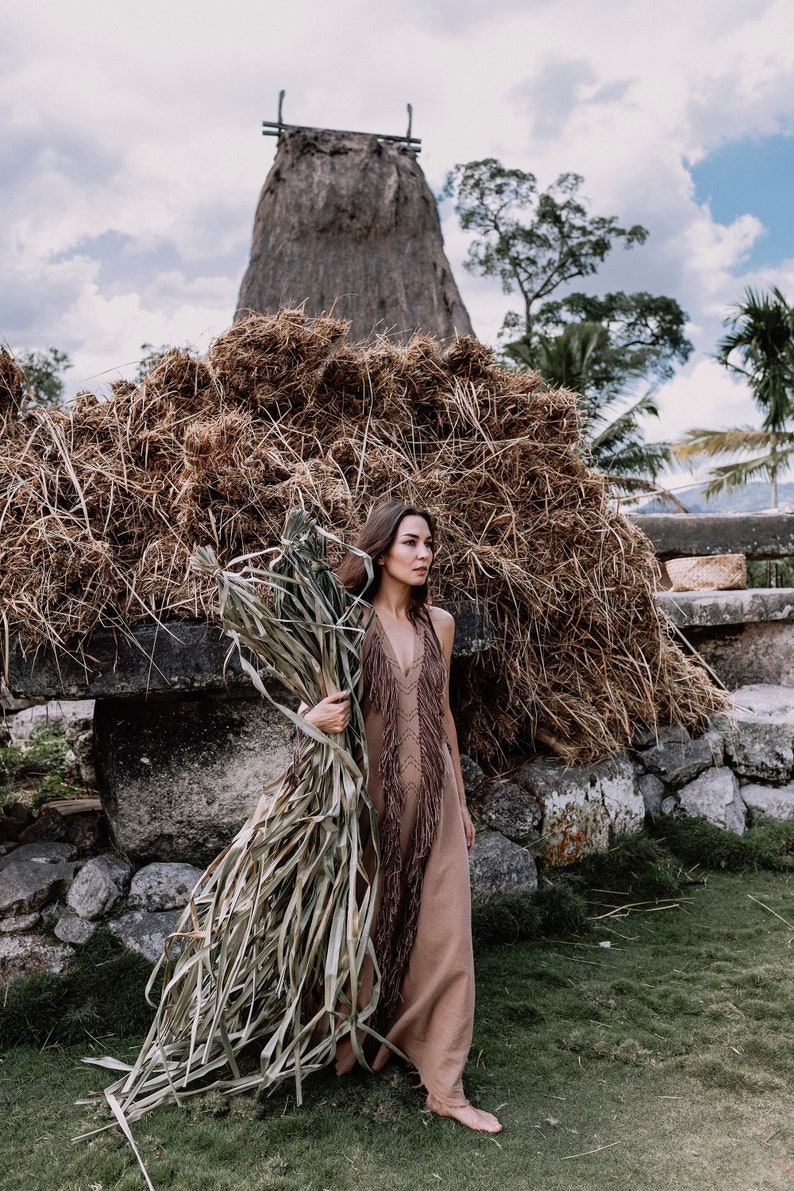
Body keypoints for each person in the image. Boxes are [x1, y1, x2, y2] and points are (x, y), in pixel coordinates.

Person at [301, 502, 503, 1134]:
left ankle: (445, 1084)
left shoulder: (438, 623)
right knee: (362, 921)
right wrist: (312, 720)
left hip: (437, 798)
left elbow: (443, 714)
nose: (424, 555)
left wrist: (463, 802)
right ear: (382, 549)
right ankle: (346, 1040)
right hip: (369, 800)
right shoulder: (344, 626)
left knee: (446, 934)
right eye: (412, 543)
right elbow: (312, 707)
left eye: (430, 545)